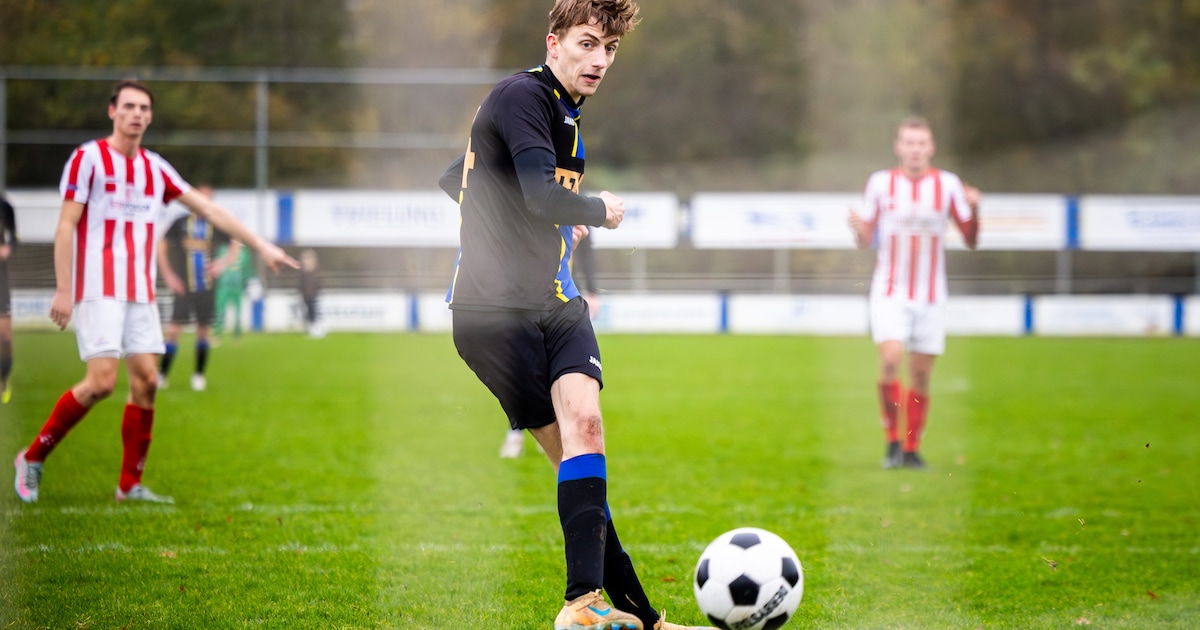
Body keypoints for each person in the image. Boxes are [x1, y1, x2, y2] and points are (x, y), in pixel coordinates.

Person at [439, 3, 712, 629]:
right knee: (576, 470)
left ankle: (601, 609)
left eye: (610, 49)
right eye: (588, 44)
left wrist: (545, 221)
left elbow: (463, 177)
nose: (600, 60)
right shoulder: (521, 98)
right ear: (553, 43)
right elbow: (533, 194)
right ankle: (620, 612)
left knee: (587, 435)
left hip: (556, 302)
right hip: (492, 316)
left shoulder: (565, 114)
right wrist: (594, 210)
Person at [12, 80, 297, 505]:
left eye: (144, 108)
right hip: (98, 289)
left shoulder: (156, 169)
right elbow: (66, 225)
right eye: (128, 106)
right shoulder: (87, 159)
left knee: (146, 382)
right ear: (112, 111)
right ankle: (32, 458)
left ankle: (129, 485)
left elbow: (211, 210)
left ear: (150, 116)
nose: (137, 114)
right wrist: (63, 288)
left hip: (140, 293)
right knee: (103, 383)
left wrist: (262, 246)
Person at [849, 116, 980, 470]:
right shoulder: (880, 183)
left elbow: (970, 239)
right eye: (909, 142)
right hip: (890, 291)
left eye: (921, 143)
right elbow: (865, 241)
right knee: (891, 360)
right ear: (898, 147)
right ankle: (892, 442)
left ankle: (911, 449)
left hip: (931, 295)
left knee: (921, 375)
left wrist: (976, 207)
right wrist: (859, 230)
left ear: (931, 148)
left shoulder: (949, 185)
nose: (915, 149)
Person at [157, 185, 240, 391]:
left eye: (209, 199)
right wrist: (168, 275)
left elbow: (236, 241)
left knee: (203, 332)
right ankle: (161, 375)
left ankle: (198, 376)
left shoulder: (215, 224)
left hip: (206, 288)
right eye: (202, 198)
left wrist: (222, 264)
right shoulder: (181, 223)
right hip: (183, 288)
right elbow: (161, 245)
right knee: (174, 330)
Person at [213, 236, 253, 341]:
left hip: (237, 287)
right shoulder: (223, 250)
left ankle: (237, 335)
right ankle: (217, 334)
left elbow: (247, 270)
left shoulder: (244, 253)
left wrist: (247, 284)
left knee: (238, 312)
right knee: (219, 311)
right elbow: (216, 266)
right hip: (224, 285)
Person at [0, 194, 16, 403]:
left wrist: (7, 247)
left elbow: (15, 237)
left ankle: (4, 379)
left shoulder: (5, 207)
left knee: (5, 336)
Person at [298, 248, 323, 338]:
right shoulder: (304, 274)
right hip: (306, 295)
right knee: (308, 311)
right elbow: (301, 284)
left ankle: (316, 329)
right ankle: (311, 328)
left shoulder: (314, 273)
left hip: (312, 294)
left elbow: (316, 284)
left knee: (313, 311)